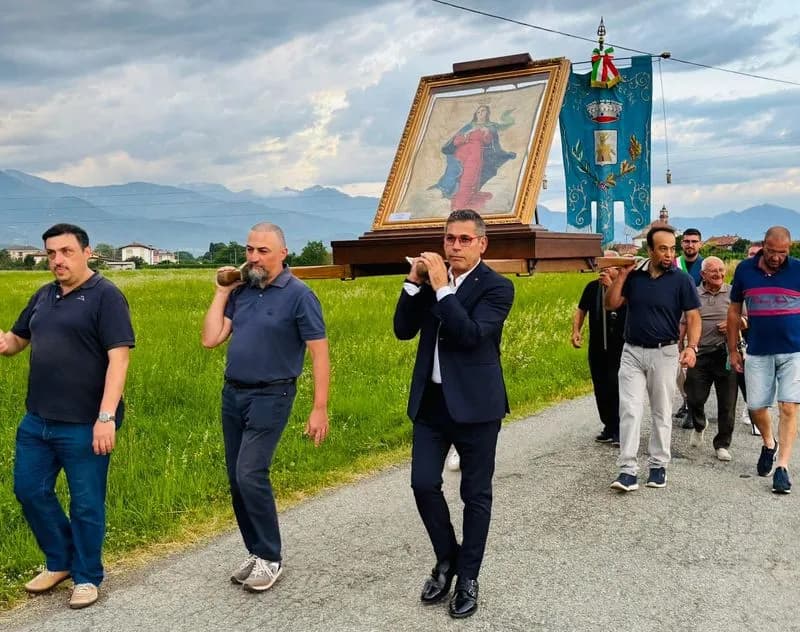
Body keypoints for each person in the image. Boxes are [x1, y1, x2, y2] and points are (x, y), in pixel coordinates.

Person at [0, 223, 135, 609]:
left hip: (85, 423)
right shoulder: (44, 296)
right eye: (51, 253)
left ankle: (87, 575)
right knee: (29, 490)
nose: (57, 260)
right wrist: (4, 342)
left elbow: (119, 359)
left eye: (66, 251)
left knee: (86, 502)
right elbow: (17, 340)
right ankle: (59, 560)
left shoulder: (106, 296)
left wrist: (106, 416)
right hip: (37, 420)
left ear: (86, 252)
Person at [394, 209, 514, 619]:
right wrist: (414, 285)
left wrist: (444, 290)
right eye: (449, 239)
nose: (455, 246)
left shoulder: (498, 288)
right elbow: (402, 330)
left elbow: (470, 335)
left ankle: (468, 577)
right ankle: (447, 558)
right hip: (431, 403)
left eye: (464, 239)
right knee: (423, 484)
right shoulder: (430, 283)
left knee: (475, 495)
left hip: (478, 407)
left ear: (482, 244)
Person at [201, 222, 330, 590]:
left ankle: (271, 557)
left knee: (250, 473)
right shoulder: (242, 291)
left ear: (283, 254)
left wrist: (319, 407)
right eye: (250, 250)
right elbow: (211, 338)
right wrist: (221, 292)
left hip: (272, 395)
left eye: (263, 251)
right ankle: (256, 551)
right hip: (234, 394)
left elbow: (319, 354)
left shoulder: (300, 295)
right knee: (235, 479)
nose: (254, 257)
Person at [605, 225, 701, 492]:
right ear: (650, 250)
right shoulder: (634, 276)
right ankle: (627, 470)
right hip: (632, 351)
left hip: (665, 352)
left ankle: (658, 465)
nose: (669, 253)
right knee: (630, 410)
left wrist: (691, 347)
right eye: (663, 248)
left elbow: (693, 317)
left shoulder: (681, 280)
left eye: (672, 248)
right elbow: (610, 303)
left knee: (661, 411)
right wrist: (622, 277)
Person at [727, 226, 800, 494]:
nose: (777, 257)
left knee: (789, 406)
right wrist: (733, 349)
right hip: (758, 350)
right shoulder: (745, 270)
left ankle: (782, 468)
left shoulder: (798, 270)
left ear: (788, 249)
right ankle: (769, 443)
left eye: (783, 253)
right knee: (757, 407)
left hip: (794, 351)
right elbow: (734, 312)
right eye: (772, 251)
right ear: (763, 246)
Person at [682, 257, 738, 461]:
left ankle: (722, 444)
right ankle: (699, 424)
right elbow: (684, 321)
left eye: (722, 270)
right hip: (700, 353)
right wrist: (680, 345)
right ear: (703, 274)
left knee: (727, 402)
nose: (719, 274)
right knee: (694, 396)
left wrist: (734, 323)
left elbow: (748, 319)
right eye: (713, 271)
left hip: (726, 353)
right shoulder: (693, 294)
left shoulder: (733, 292)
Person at [571, 251, 627, 445]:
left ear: (618, 269)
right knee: (600, 386)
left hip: (619, 346)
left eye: (608, 267)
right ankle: (608, 426)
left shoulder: (626, 289)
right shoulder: (592, 287)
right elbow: (581, 310)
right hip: (597, 346)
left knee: (616, 386)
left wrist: (612, 288)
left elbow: (625, 309)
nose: (603, 271)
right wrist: (576, 331)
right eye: (601, 267)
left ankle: (621, 429)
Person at [430, 105, 516, 211]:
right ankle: (457, 202)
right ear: (475, 114)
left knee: (470, 178)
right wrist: (467, 136)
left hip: (475, 155)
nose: (480, 113)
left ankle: (460, 204)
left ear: (487, 113)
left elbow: (489, 141)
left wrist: (487, 132)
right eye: (478, 112)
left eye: (483, 111)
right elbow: (456, 140)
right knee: (461, 177)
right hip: (461, 155)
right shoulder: (469, 126)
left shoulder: (490, 127)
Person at [736, 242, 763, 436]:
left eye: (757, 254)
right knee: (743, 376)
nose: (753, 257)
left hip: (761, 334)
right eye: (750, 254)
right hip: (739, 335)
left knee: (757, 378)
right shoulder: (741, 277)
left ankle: (753, 413)